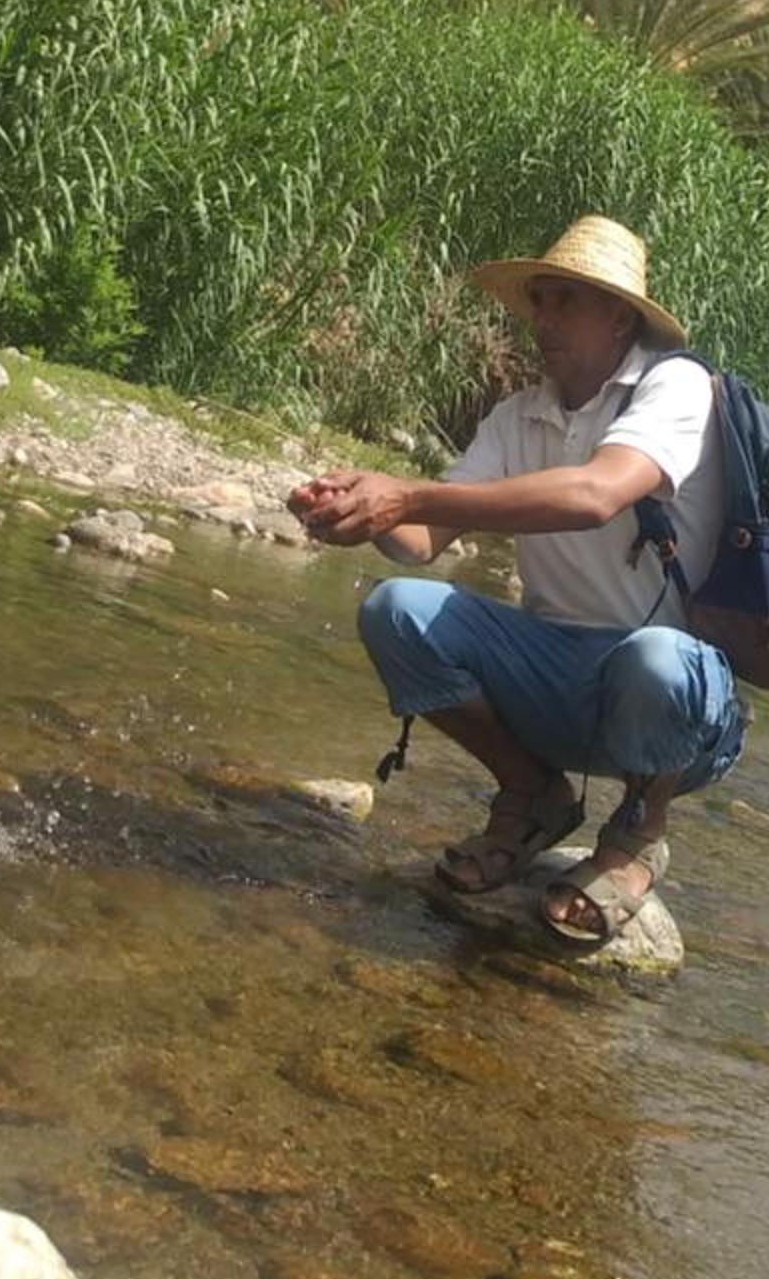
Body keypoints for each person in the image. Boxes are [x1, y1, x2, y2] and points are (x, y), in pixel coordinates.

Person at [287, 215, 742, 946]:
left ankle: (639, 830)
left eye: (567, 300)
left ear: (620, 318)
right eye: (539, 300)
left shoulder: (676, 385)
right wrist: (356, 509)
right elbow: (422, 542)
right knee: (395, 609)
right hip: (554, 672)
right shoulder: (517, 417)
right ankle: (532, 794)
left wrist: (407, 494)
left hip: (677, 703)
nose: (543, 318)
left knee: (654, 658)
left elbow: (596, 494)